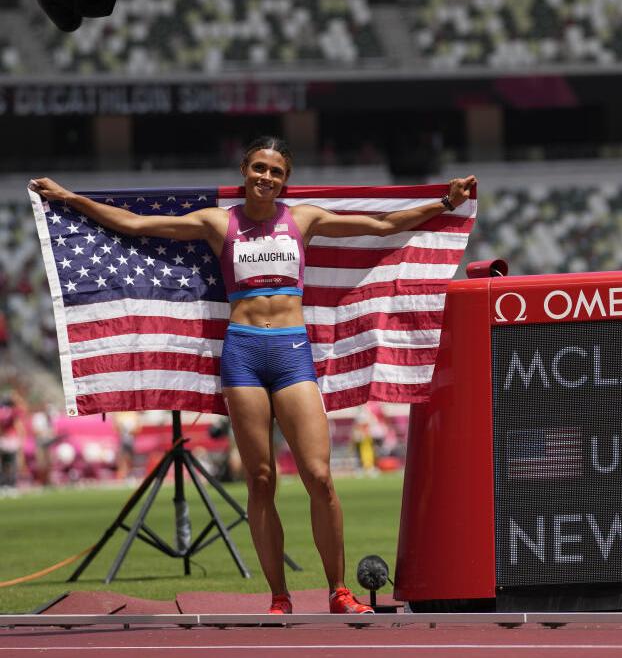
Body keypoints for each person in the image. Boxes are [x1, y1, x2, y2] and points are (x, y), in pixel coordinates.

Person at [30, 136, 477, 615]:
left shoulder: (302, 218)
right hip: (242, 352)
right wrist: (72, 199)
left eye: (277, 171)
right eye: (259, 167)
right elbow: (139, 225)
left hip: (291, 351)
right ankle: (279, 596)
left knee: (320, 476)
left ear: (286, 180)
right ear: (245, 170)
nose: (267, 177)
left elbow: (382, 224)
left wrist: (444, 202)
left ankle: (338, 592)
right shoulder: (217, 222)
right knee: (260, 480)